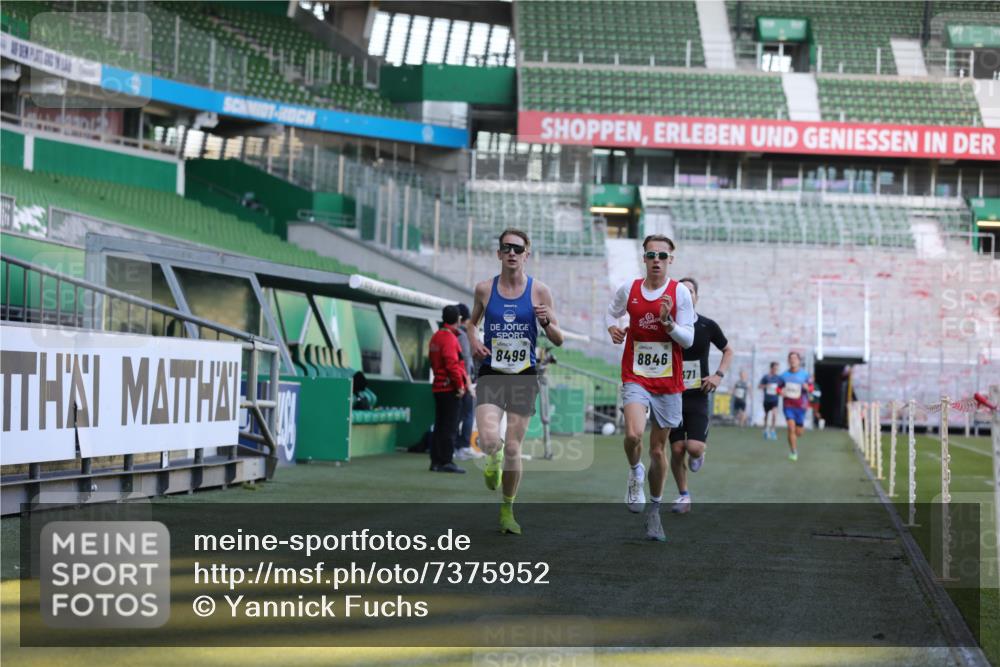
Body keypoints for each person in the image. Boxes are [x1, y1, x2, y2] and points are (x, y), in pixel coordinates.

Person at [467, 229, 564, 534]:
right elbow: (471, 323)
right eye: (506, 248)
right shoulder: (484, 289)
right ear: (499, 254)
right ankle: (490, 457)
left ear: (526, 254)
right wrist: (472, 339)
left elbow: (558, 339)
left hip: (523, 376)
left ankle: (507, 510)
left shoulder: (540, 292)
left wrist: (546, 321)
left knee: (513, 448)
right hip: (492, 373)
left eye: (517, 248)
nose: (512, 252)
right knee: (489, 439)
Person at [606, 235, 694, 541]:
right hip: (636, 375)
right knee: (633, 434)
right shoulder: (629, 289)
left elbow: (689, 339)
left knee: (658, 449)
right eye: (651, 254)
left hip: (669, 382)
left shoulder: (679, 292)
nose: (656, 260)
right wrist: (613, 327)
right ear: (644, 258)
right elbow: (611, 311)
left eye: (662, 255)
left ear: (671, 260)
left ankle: (654, 515)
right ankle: (634, 472)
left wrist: (669, 324)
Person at [668, 277, 733, 514]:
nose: (686, 295)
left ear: (696, 297)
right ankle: (683, 495)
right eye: (681, 291)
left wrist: (718, 375)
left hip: (697, 395)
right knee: (676, 449)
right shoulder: (667, 326)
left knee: (692, 448)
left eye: (690, 291)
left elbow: (728, 350)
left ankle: (699, 453)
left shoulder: (707, 326)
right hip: (671, 396)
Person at [428, 305, 470, 474]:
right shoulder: (450, 339)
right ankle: (446, 461)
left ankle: (436, 461)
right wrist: (459, 386)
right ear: (458, 320)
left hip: (438, 387)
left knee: (440, 426)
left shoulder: (436, 336)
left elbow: (433, 361)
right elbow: (452, 365)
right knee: (450, 427)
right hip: (449, 389)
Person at [453, 303, 483, 461]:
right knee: (467, 414)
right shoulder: (465, 335)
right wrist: (470, 383)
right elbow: (467, 361)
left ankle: (455, 446)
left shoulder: (453, 334)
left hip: (458, 380)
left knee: (457, 416)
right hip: (465, 380)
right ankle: (462, 446)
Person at [780, 351, 810, 461]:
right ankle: (793, 451)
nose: (793, 360)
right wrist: (780, 392)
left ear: (799, 361)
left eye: (795, 358)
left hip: (801, 407)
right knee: (790, 428)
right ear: (788, 361)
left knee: (799, 432)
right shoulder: (783, 376)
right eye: (791, 358)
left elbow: (811, 388)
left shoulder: (805, 375)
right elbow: (779, 388)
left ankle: (793, 439)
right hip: (788, 406)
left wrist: (808, 388)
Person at [759, 362, 783, 440]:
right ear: (771, 368)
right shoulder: (766, 377)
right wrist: (766, 386)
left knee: (774, 414)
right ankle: (766, 429)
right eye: (775, 368)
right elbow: (759, 386)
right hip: (767, 399)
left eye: (777, 368)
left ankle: (773, 430)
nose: (776, 370)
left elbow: (782, 387)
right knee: (766, 415)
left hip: (775, 399)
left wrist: (781, 391)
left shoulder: (779, 378)